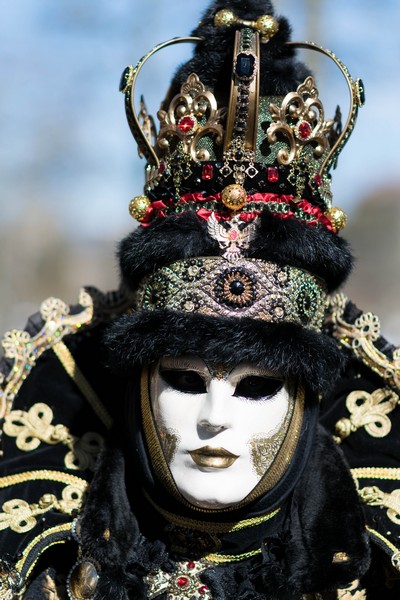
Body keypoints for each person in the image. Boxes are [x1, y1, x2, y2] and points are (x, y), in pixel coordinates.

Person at [0, 0, 399, 598]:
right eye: (185, 378)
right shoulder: (47, 570)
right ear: (139, 382)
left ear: (304, 399)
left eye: (259, 384)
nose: (216, 417)